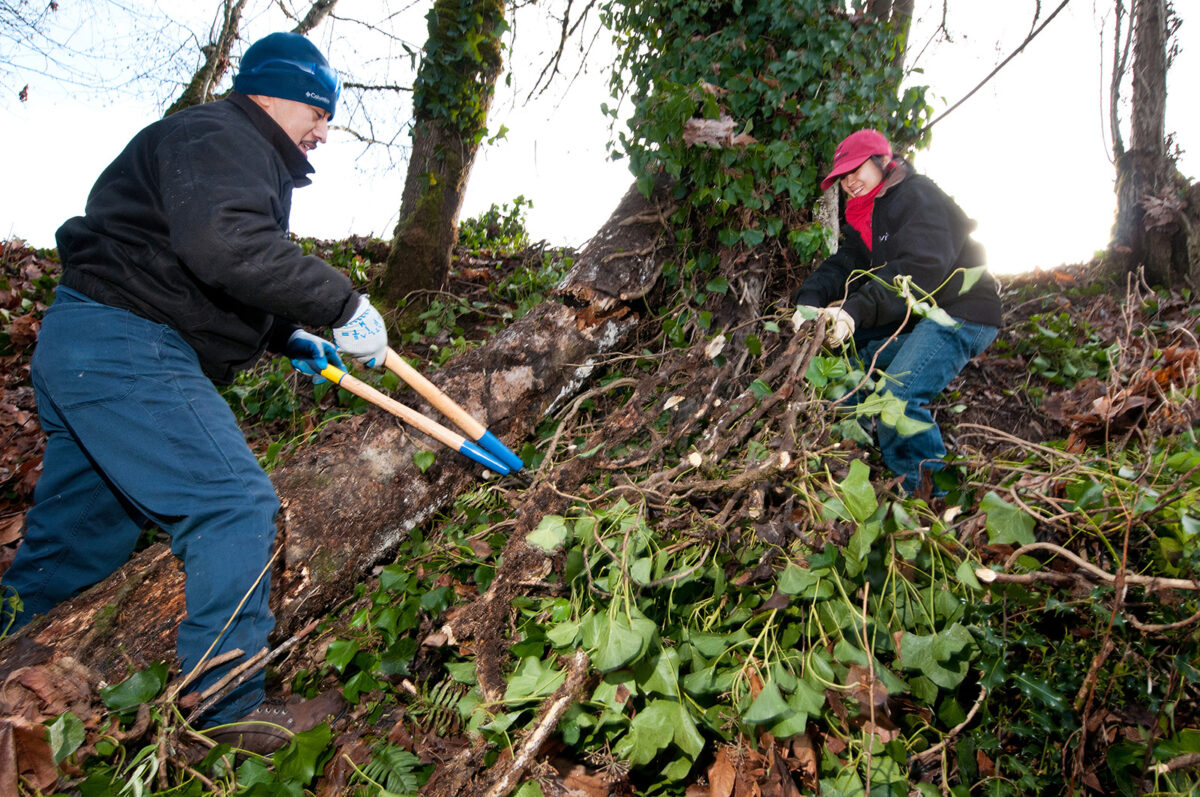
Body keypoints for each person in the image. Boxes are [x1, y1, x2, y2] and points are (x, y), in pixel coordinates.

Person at [0, 32, 389, 753]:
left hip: (87, 343)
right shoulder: (225, 134)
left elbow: (201, 267)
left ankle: (11, 656)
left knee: (71, 545)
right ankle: (225, 707)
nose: (324, 131)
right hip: (128, 344)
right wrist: (340, 302)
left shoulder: (223, 146)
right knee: (234, 504)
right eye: (318, 112)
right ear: (273, 94)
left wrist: (283, 333)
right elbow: (224, 243)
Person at [792, 129, 1002, 495]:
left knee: (897, 399)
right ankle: (857, 454)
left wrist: (854, 310)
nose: (849, 182)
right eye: (841, 177)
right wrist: (809, 300)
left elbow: (920, 269)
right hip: (926, 316)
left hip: (962, 313)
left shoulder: (918, 196)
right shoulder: (869, 216)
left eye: (855, 169)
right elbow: (845, 264)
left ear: (880, 161)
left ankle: (930, 498)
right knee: (857, 358)